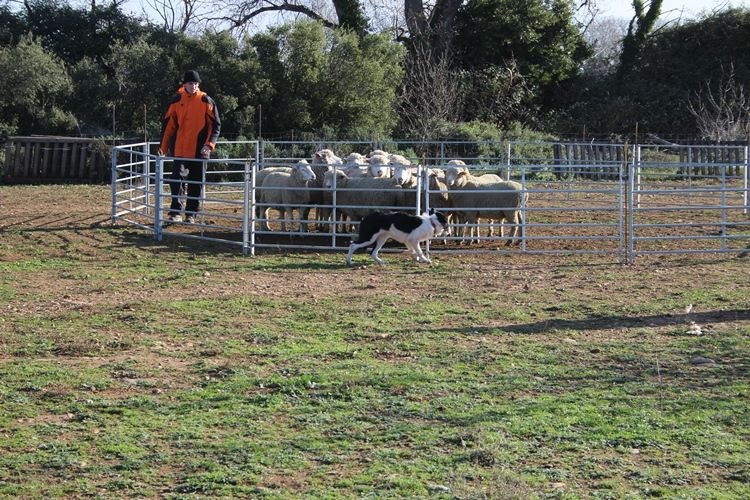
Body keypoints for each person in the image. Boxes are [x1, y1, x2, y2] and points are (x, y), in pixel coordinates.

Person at [159, 70, 221, 223]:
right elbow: (168, 126)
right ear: (184, 84)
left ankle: (191, 214)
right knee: (175, 179)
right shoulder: (176, 100)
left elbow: (215, 126)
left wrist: (209, 145)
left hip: (200, 150)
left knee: (196, 182)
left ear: (198, 85)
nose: (193, 86)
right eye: (190, 83)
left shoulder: (206, 101)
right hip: (180, 149)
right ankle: (176, 212)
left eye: (195, 84)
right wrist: (163, 148)